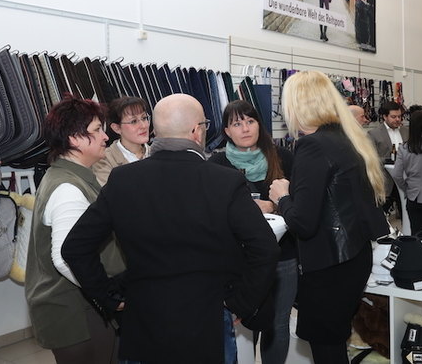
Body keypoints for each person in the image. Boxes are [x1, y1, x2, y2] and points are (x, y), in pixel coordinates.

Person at [62, 94, 280, 364]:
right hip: (208, 321)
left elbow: (75, 247)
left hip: (144, 320)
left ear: (156, 131)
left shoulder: (123, 180)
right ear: (197, 131)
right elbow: (266, 248)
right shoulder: (225, 181)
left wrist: (108, 297)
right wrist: (242, 303)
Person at [268, 71, 389, 364]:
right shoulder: (346, 138)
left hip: (330, 265)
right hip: (351, 258)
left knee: (327, 349)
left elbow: (302, 222)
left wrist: (282, 197)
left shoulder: (312, 145)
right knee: (334, 344)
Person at [25, 94, 125, 364]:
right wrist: (107, 296)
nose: (105, 136)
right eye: (97, 130)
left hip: (81, 306)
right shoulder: (68, 188)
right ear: (74, 139)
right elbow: (65, 257)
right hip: (77, 311)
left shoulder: (67, 177)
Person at [209, 99, 295, 364]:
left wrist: (274, 206)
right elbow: (211, 212)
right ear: (226, 131)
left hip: (283, 254)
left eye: (250, 121)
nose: (245, 128)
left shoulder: (284, 157)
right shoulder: (217, 164)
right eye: (237, 124)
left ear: (259, 124)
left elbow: (302, 205)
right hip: (239, 259)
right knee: (243, 323)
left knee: (278, 323)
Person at [92, 96, 150, 186]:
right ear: (116, 128)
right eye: (134, 121)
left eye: (144, 118)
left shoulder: (158, 152)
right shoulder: (104, 160)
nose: (143, 126)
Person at [368, 101, 409, 214]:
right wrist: (388, 160)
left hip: (405, 179)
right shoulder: (374, 134)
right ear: (385, 117)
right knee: (381, 215)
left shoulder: (406, 131)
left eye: (399, 116)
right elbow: (371, 159)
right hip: (386, 181)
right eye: (393, 117)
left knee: (407, 214)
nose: (397, 119)